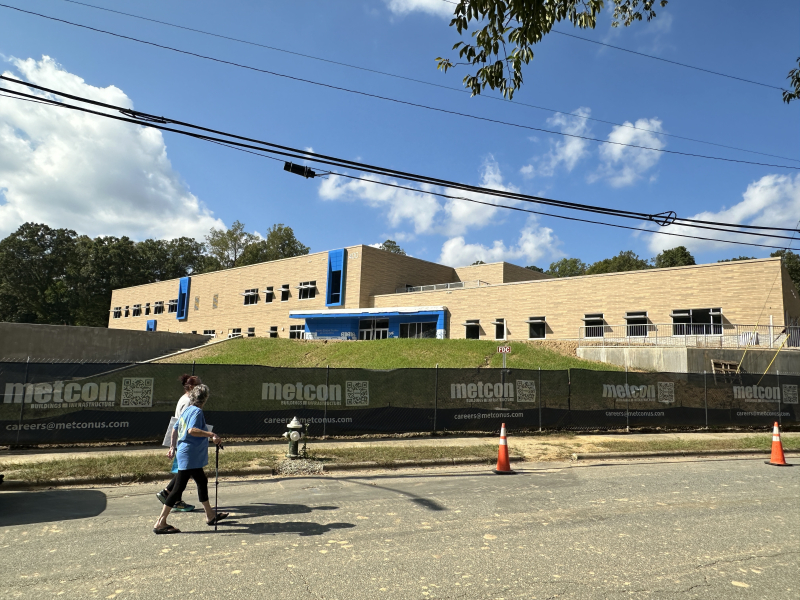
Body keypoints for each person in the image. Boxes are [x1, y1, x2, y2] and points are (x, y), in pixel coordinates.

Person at [153, 384, 228, 534]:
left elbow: (175, 429)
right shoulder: (197, 411)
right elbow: (191, 430)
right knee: (178, 488)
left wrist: (173, 447)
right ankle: (160, 522)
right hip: (189, 455)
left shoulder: (187, 410)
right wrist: (211, 434)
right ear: (205, 398)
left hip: (187, 453)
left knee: (201, 481)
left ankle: (210, 515)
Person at [155, 374, 200, 512]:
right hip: (185, 440)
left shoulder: (185, 399)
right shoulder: (188, 401)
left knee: (184, 471)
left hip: (183, 439)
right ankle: (170, 494)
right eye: (199, 385)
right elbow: (184, 423)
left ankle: (170, 494)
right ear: (191, 387)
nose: (202, 387)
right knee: (184, 472)